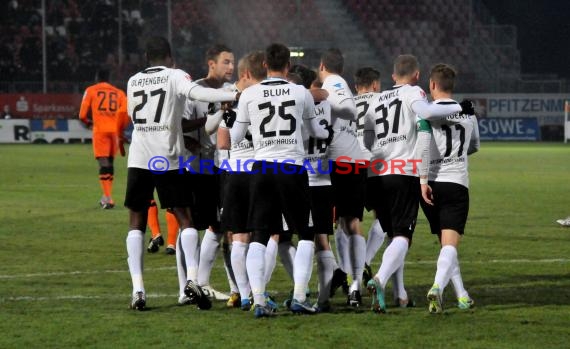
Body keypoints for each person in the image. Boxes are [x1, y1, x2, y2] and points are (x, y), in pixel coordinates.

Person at [124, 36, 238, 311]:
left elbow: (132, 116)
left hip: (139, 155)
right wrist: (232, 95)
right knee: (185, 218)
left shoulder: (132, 80)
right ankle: (190, 281)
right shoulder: (175, 75)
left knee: (136, 222)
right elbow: (198, 94)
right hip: (166, 156)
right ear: (170, 58)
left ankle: (138, 290)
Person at [229, 43, 331, 318]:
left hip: (261, 168)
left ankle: (259, 299)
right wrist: (326, 129)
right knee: (306, 233)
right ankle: (299, 296)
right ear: (288, 66)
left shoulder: (249, 94)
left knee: (259, 235)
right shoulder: (301, 92)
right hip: (291, 168)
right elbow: (315, 132)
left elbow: (235, 138)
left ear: (265, 65)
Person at [363, 54, 470, 313]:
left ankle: (398, 294)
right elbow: (428, 112)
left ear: (392, 76)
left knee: (392, 235)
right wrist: (461, 107)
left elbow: (366, 135)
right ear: (418, 76)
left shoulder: (376, 99)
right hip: (404, 173)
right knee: (403, 236)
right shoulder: (414, 93)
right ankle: (379, 279)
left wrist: (380, 154)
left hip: (376, 173)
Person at [419, 63, 479, 313]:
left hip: (430, 184)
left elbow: (422, 148)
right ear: (451, 86)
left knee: (446, 246)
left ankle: (462, 295)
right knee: (450, 246)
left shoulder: (426, 112)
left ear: (432, 85)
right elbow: (474, 145)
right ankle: (437, 288)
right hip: (456, 183)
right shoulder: (468, 113)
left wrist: (423, 181)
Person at [182, 44, 238, 302]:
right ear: (211, 63)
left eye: (233, 62)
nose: (231, 67)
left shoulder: (232, 91)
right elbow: (181, 125)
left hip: (220, 167)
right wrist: (193, 142)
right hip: (197, 167)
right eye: (226, 62)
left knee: (219, 226)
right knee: (191, 226)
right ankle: (187, 285)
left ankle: (205, 282)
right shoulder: (195, 92)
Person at [217, 50, 268, 310]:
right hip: (259, 172)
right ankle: (260, 291)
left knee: (238, 237)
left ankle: (245, 294)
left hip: (235, 172)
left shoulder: (233, 105)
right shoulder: (268, 100)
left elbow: (223, 142)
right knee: (263, 236)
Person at [318, 48, 367, 307]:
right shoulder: (344, 84)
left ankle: (348, 281)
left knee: (328, 225)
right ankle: (354, 285)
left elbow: (348, 109)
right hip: (354, 161)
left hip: (340, 163)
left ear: (322, 65)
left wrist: (325, 98)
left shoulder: (332, 83)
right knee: (349, 224)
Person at [79, 68, 130, 209]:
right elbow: (126, 113)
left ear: (97, 77)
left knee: (103, 163)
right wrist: (121, 128)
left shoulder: (91, 90)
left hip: (100, 131)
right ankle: (106, 196)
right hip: (114, 132)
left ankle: (107, 198)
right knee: (110, 163)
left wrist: (88, 123)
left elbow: (82, 115)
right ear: (109, 78)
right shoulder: (119, 93)